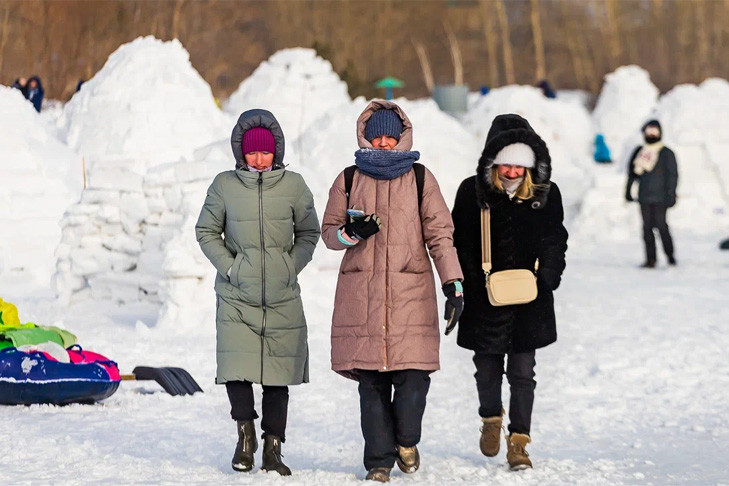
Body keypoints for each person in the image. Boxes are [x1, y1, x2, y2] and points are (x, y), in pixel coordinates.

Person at [321, 100, 464, 483]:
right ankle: (379, 463)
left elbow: (440, 234)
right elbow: (329, 234)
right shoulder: (349, 178)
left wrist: (453, 283)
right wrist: (350, 234)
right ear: (365, 136)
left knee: (414, 377)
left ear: (402, 137)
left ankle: (407, 440)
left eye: (390, 136)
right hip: (361, 296)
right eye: (376, 135)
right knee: (371, 384)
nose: (383, 143)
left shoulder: (420, 178)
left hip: (410, 293)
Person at [195, 109, 320, 475]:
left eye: (266, 152)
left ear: (276, 151)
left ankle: (272, 448)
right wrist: (232, 267)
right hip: (237, 296)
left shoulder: (294, 185)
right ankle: (245, 436)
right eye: (252, 152)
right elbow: (206, 231)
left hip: (282, 297)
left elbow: (309, 233)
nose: (259, 159)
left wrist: (288, 267)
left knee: (278, 375)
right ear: (241, 152)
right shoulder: (224, 185)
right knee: (237, 369)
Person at [451, 114, 568, 471]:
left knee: (522, 373)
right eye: (506, 163)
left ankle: (519, 442)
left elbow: (555, 239)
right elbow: (460, 243)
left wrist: (548, 276)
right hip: (484, 299)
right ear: (493, 160)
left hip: (529, 299)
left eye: (520, 165)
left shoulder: (547, 194)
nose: (513, 171)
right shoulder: (471, 192)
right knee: (485, 370)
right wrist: (471, 282)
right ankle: (490, 418)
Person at [625, 119, 678, 268]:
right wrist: (628, 191)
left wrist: (671, 194)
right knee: (647, 228)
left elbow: (672, 175)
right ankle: (651, 259)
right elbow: (632, 173)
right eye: (649, 131)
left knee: (661, 226)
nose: (652, 134)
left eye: (655, 131)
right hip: (644, 197)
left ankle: (670, 255)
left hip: (661, 198)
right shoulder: (639, 152)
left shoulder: (666, 153)